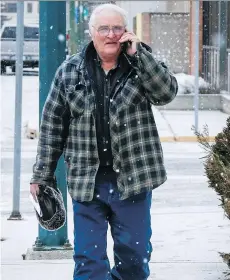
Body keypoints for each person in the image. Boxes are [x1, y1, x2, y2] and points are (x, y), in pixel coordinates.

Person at [30, 3, 178, 280]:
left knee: (134, 258)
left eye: (117, 28)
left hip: (133, 181)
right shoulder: (69, 71)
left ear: (126, 32)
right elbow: (52, 127)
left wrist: (139, 55)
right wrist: (42, 175)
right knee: (88, 260)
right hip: (88, 183)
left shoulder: (141, 65)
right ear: (92, 32)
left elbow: (166, 93)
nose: (111, 34)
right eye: (104, 28)